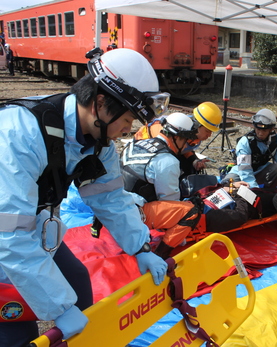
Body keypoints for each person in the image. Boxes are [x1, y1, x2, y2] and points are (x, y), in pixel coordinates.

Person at [0, 47, 169, 346]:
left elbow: (110, 198)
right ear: (100, 102)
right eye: (127, 120)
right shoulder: (21, 133)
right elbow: (9, 237)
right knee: (16, 329)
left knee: (77, 284)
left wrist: (140, 247)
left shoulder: (97, 138)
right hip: (7, 239)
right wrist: (60, 308)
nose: (128, 131)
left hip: (31, 230)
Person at [122, 112, 277, 259]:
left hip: (118, 205)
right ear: (179, 137)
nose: (187, 146)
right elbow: (172, 203)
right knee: (189, 212)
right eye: (187, 141)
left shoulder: (140, 144)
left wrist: (220, 188)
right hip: (135, 212)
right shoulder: (167, 161)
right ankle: (161, 253)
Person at [134, 101, 223, 178]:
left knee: (189, 167)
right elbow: (168, 155)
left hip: (162, 150)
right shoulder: (175, 129)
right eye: (207, 131)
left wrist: (195, 161)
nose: (209, 135)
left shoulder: (190, 132)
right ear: (197, 126)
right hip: (142, 152)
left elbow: (185, 149)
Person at [222, 108, 277, 188]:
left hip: (261, 170)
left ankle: (269, 193)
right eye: (258, 129)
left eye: (264, 131)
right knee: (227, 185)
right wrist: (254, 190)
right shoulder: (245, 142)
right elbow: (245, 170)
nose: (260, 133)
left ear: (271, 129)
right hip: (240, 172)